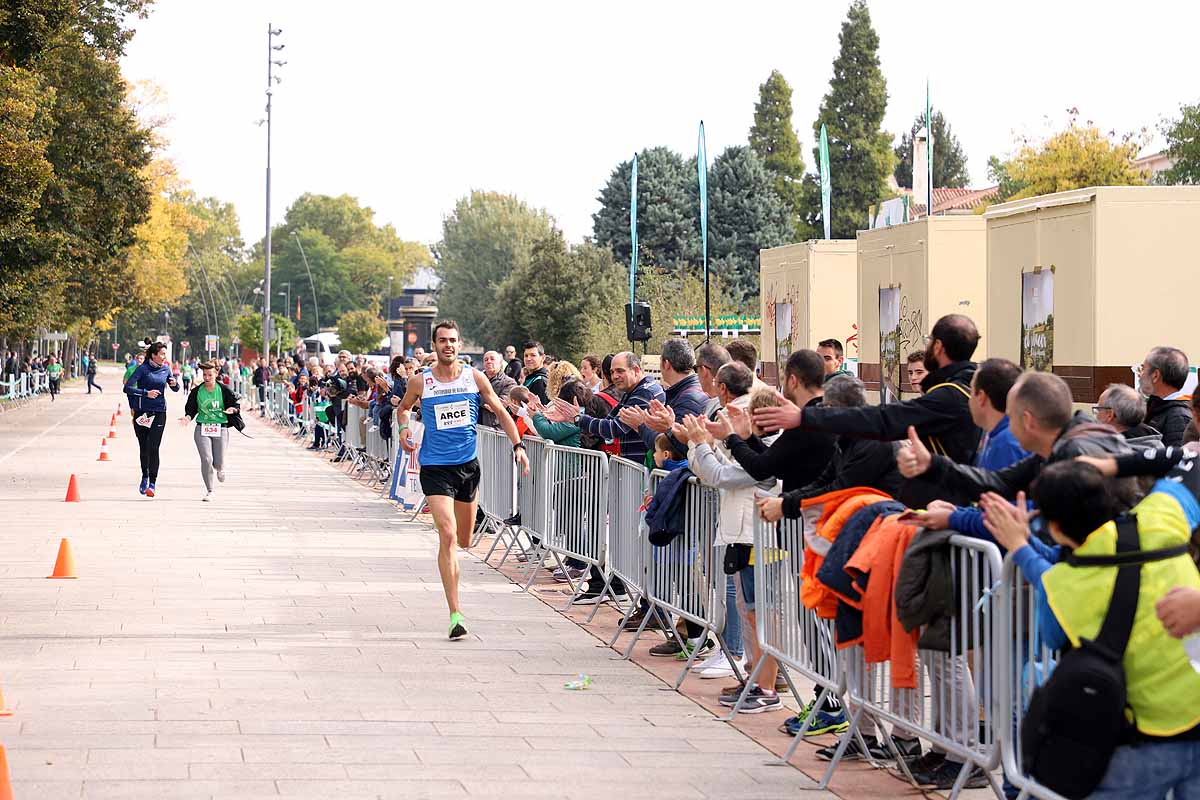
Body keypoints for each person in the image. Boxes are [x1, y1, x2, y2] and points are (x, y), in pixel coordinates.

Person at [982, 452, 1200, 798]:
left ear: (1055, 528)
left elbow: (1052, 628)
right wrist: (1113, 463)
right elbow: (1193, 462)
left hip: (1141, 742)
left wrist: (1020, 545)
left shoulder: (1063, 587)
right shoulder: (1161, 516)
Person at [755, 314, 982, 508]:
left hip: (947, 509)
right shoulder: (964, 389)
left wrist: (805, 416)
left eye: (929, 341)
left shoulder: (948, 396)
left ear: (939, 347)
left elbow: (884, 418)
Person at [395, 320, 529, 640]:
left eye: (453, 340)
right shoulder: (420, 381)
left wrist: (518, 445)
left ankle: (456, 574)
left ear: (459, 343)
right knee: (448, 533)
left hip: (467, 467)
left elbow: (500, 410)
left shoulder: (474, 377)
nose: (448, 345)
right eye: (442, 340)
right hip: (434, 467)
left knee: (465, 540)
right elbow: (402, 409)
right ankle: (455, 613)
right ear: (434, 345)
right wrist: (403, 430)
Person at [124, 342, 180, 497]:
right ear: (154, 355)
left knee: (154, 447)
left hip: (159, 411)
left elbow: (175, 388)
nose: (164, 357)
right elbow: (127, 388)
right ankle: (145, 476)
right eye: (162, 354)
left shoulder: (166, 369)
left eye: (165, 354)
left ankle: (153, 484)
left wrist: (175, 384)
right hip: (142, 413)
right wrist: (145, 393)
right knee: (144, 447)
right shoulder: (142, 369)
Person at [180, 361, 241, 501]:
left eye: (210, 375)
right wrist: (187, 418)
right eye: (204, 375)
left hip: (221, 428)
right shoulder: (197, 391)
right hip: (202, 427)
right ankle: (210, 490)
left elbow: (235, 404)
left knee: (218, 462)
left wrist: (233, 409)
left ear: (216, 374)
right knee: (207, 459)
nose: (207, 378)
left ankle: (220, 468)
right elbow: (190, 409)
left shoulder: (224, 390)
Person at [1138, 346, 1192, 448]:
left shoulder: (1179, 417)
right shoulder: (1155, 405)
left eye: (1143, 368)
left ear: (1155, 375)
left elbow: (1176, 459)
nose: (1139, 375)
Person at [1095, 383, 1162, 448]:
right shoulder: (1157, 446)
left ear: (1110, 414)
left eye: (1098, 410)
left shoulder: (1103, 455)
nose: (1096, 415)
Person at [479, 351, 516, 428]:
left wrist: (476, 397)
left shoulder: (509, 382)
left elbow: (498, 404)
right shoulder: (477, 379)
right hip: (476, 427)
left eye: (492, 359)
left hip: (496, 429)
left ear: (500, 363)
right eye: (486, 360)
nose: (488, 361)